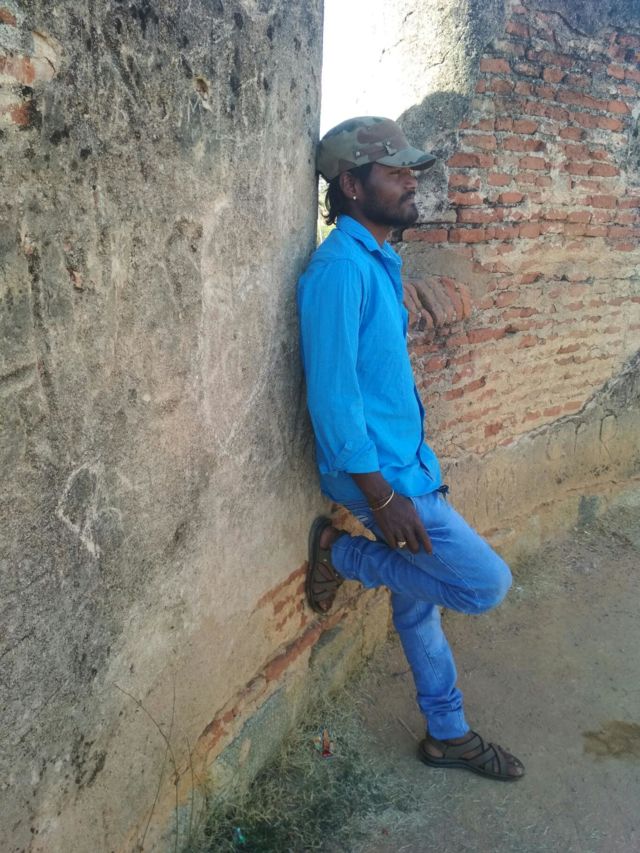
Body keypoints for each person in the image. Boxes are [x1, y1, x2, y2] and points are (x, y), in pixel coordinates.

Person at [297, 116, 525, 781]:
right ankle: (339, 554)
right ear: (351, 184)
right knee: (483, 585)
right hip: (382, 479)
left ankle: (447, 734)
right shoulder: (340, 270)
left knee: (419, 603)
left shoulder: (378, 260)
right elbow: (333, 397)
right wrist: (382, 498)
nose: (410, 183)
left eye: (410, 171)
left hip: (405, 466)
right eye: (395, 172)